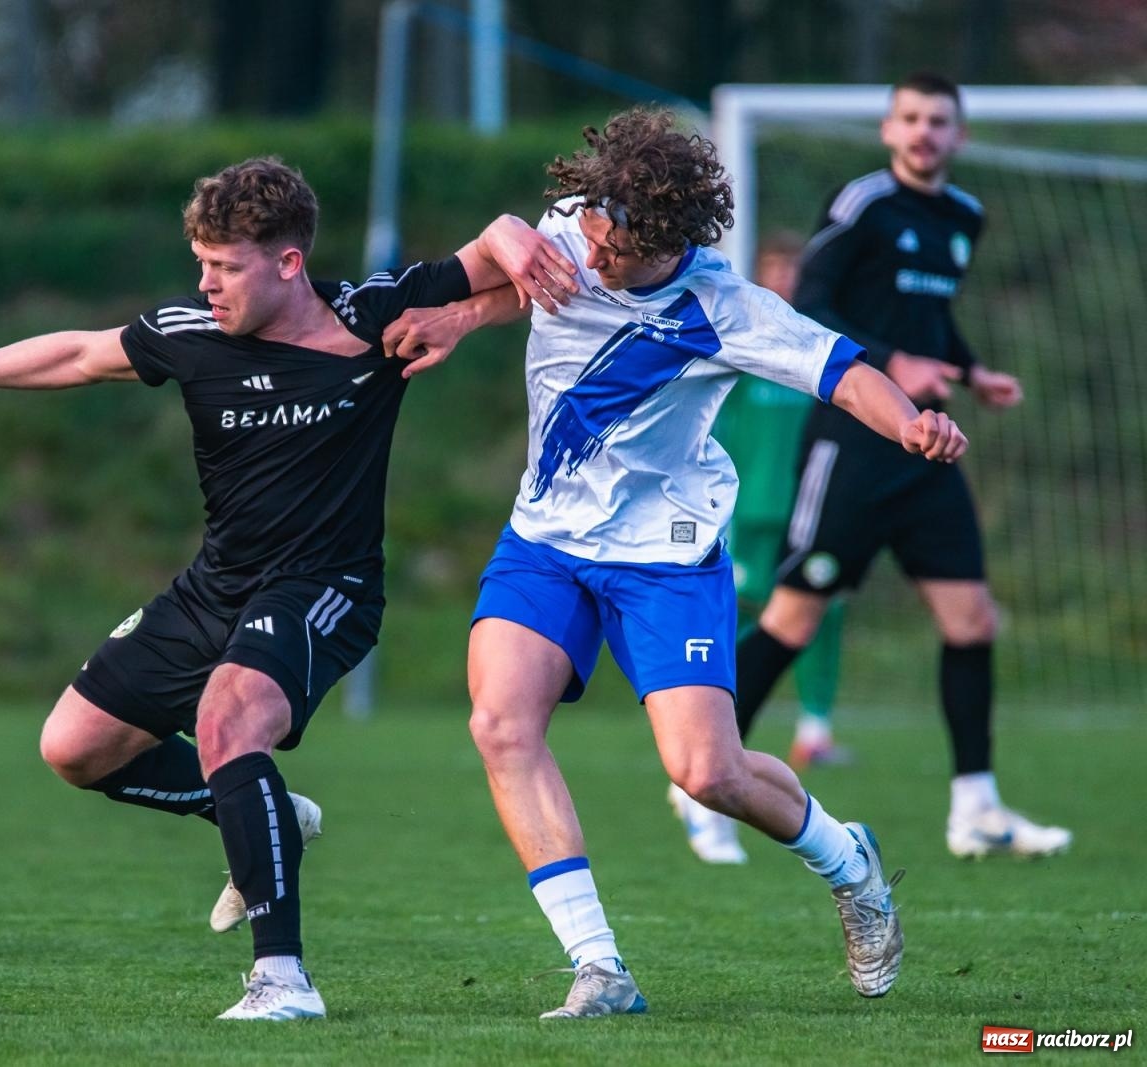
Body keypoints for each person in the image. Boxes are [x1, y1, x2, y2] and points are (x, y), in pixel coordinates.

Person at [0, 157, 569, 1021]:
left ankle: (283, 980)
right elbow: (79, 355)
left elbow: (496, 249)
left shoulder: (371, 315)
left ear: (288, 263)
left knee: (229, 721)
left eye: (225, 266)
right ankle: (266, 811)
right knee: (73, 747)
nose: (207, 283)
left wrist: (503, 245)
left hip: (326, 585)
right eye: (201, 262)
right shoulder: (190, 331)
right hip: (215, 585)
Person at [382, 107, 968, 1017]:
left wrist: (914, 421)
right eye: (592, 223)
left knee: (707, 772)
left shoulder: (724, 307)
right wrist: (461, 316)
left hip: (666, 554)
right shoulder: (579, 222)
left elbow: (841, 371)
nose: (593, 246)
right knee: (501, 722)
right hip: (545, 540)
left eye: (617, 241)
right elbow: (529, 280)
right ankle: (599, 966)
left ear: (669, 239)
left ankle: (848, 861)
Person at [685, 73, 1071, 863]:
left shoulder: (965, 217)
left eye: (939, 121)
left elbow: (929, 319)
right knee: (795, 617)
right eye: (911, 118)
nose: (925, 132)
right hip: (855, 443)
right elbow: (811, 308)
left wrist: (970, 370)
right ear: (890, 130)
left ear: (958, 135)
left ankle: (977, 807)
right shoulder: (862, 205)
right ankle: (704, 778)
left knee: (972, 620)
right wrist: (896, 362)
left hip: (927, 449)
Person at [670, 234, 852, 864]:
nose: (784, 281)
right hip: (747, 513)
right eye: (773, 270)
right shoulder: (740, 346)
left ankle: (814, 726)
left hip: (806, 510)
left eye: (791, 271)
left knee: (817, 616)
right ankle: (702, 743)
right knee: (740, 615)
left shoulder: (811, 347)